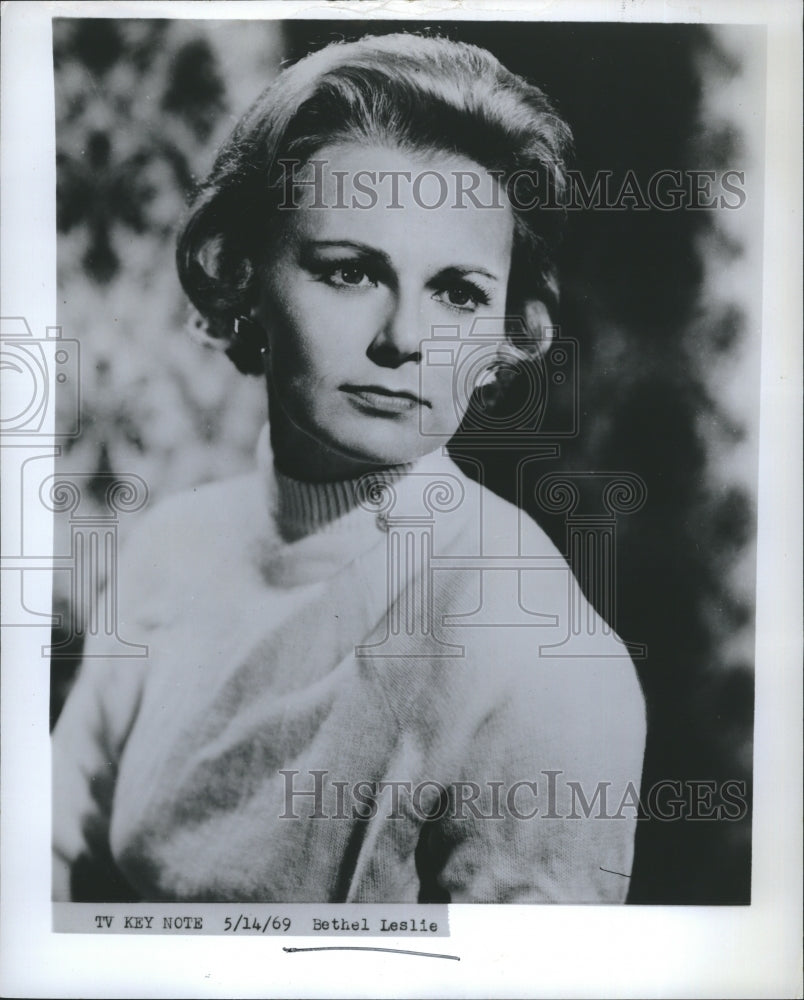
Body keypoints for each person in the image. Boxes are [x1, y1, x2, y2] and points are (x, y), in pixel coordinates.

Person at [52, 32, 646, 904]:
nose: (405, 339)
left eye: (459, 292)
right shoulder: (173, 550)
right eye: (350, 271)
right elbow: (42, 882)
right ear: (246, 276)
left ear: (504, 332)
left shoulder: (538, 657)